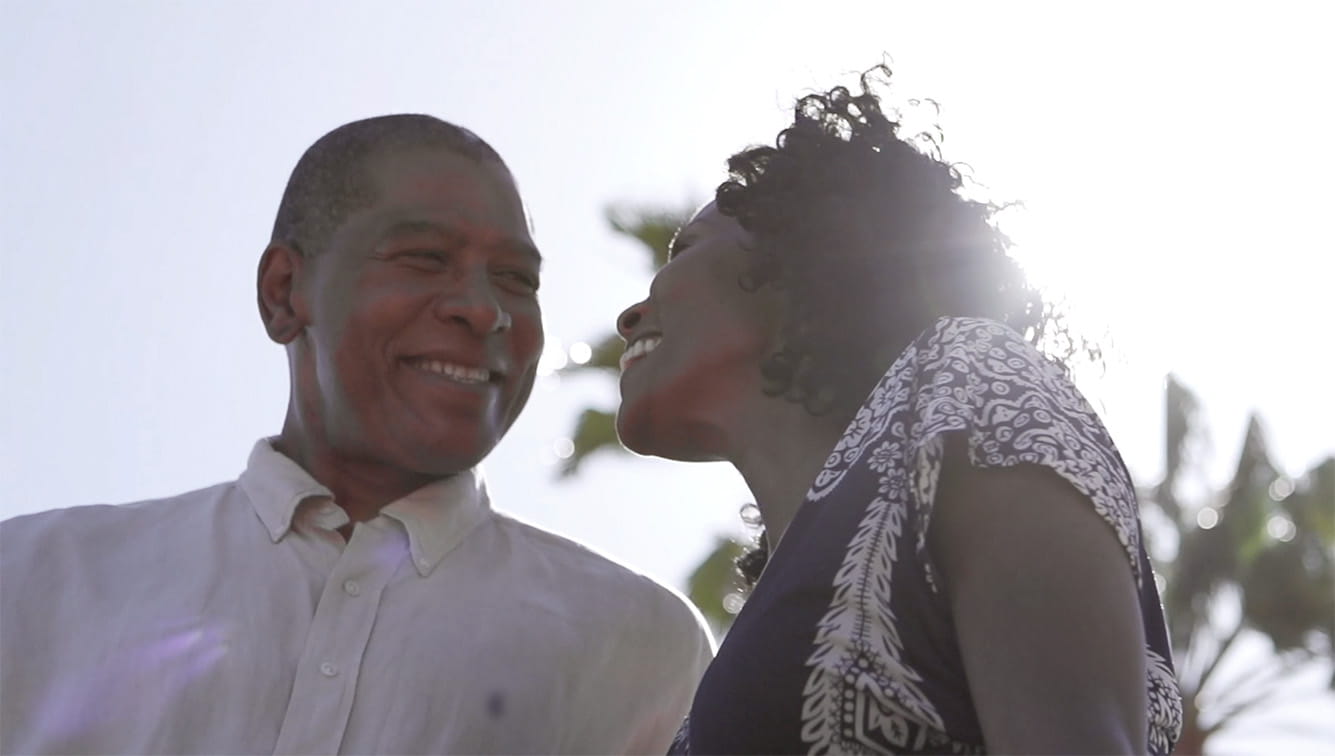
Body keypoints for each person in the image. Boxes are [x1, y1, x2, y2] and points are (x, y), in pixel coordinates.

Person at [0, 114, 714, 755]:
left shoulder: (642, 644)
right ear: (283, 292)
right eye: (424, 258)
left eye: (515, 279)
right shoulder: (34, 577)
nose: (482, 309)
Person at [614, 66, 1183, 755]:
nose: (629, 315)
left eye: (683, 250)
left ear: (804, 257)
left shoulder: (970, 384)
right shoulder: (742, 648)